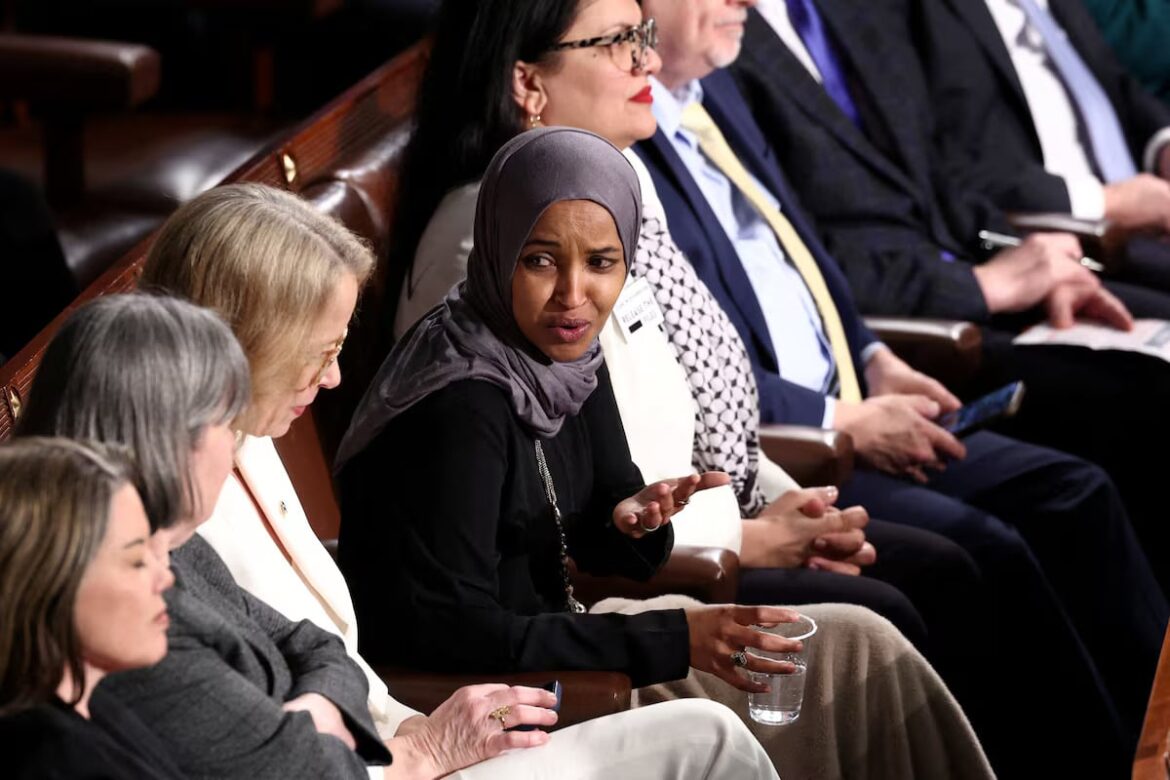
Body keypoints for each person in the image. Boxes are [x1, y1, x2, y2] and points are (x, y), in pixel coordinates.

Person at [338, 125, 994, 779]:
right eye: (540, 259)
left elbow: (594, 523)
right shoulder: (460, 404)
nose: (574, 295)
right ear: (499, 248)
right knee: (833, 670)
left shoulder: (561, 352)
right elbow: (453, 634)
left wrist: (633, 524)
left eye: (601, 262)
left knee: (862, 643)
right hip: (526, 695)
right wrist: (678, 640)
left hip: (577, 641)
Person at [629, 0, 1167, 772]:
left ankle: (1143, 750)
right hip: (798, 444)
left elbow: (805, 256)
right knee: (990, 547)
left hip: (867, 380)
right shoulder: (624, 157)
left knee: (1075, 488)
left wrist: (875, 355)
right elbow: (704, 378)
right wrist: (842, 414)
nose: (740, 1)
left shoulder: (711, 94)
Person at [390, 0, 993, 665]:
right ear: (527, 84)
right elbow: (555, 509)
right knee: (907, 602)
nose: (648, 59)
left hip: (705, 521)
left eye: (644, 36)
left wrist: (788, 507)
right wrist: (749, 537)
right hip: (626, 591)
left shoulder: (619, 182)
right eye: (619, 42)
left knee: (948, 570)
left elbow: (701, 393)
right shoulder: (496, 233)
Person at [21, 251, 781, 778]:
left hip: (405, 734)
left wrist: (322, 710)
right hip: (408, 746)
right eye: (225, 426)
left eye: (603, 261)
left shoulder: (166, 553)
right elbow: (302, 761)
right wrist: (396, 747)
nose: (242, 444)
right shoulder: (134, 617)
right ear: (164, 442)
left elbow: (314, 644)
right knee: (711, 738)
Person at [727, 0, 1170, 570]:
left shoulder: (849, 12)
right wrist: (978, 287)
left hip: (971, 282)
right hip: (927, 329)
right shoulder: (720, 41)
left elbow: (941, 177)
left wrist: (1020, 252)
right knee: (1135, 414)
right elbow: (814, 254)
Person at [909, 0, 1170, 291]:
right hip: (1065, 248)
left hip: (1147, 220)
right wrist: (1107, 202)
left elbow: (1111, 80)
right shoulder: (920, 14)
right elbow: (953, 165)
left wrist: (1163, 145)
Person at [0, 437, 182, 779]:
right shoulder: (56, 760)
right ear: (50, 580)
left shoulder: (90, 704)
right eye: (136, 561)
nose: (165, 578)